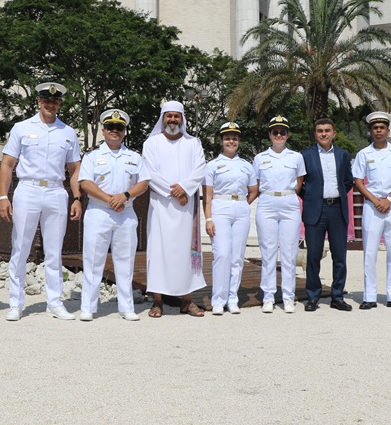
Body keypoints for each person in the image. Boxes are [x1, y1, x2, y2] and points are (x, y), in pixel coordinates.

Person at [0, 82, 82, 321]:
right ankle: (16, 303)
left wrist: (77, 198)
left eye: (55, 101)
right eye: (46, 99)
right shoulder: (21, 128)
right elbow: (7, 164)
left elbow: (75, 168)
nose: (50, 104)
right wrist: (4, 196)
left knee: (54, 251)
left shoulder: (68, 132)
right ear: (38, 101)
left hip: (56, 191)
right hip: (28, 190)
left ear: (60, 104)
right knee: (21, 248)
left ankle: (54, 302)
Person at [77, 109, 150, 322]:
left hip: (125, 213)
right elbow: (85, 182)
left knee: (125, 261)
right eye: (110, 127)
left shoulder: (134, 156)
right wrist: (110, 199)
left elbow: (144, 182)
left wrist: (125, 196)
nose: (114, 131)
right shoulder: (92, 155)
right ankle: (88, 307)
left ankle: (126, 307)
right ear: (103, 130)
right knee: (93, 260)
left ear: (124, 131)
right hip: (99, 211)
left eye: (119, 127)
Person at [141, 101, 207, 318]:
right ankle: (158, 302)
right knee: (159, 253)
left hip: (186, 208)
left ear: (182, 119)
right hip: (161, 205)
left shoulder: (193, 143)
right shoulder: (151, 143)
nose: (172, 120)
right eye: (168, 116)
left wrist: (185, 189)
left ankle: (187, 301)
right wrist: (174, 192)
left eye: (176, 116)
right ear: (162, 118)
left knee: (186, 254)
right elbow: (149, 172)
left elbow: (199, 169)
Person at [352, 111, 391, 311]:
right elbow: (358, 181)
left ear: (387, 130)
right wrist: (376, 200)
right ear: (371, 131)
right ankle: (369, 296)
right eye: (375, 128)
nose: (378, 131)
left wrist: (389, 199)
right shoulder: (363, 154)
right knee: (370, 251)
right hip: (372, 205)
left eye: (382, 128)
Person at [251, 116, 305, 313]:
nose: (279, 135)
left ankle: (288, 296)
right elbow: (255, 184)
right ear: (270, 135)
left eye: (283, 131)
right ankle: (268, 296)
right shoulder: (259, 158)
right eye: (275, 132)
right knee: (268, 252)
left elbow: (299, 181)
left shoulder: (296, 157)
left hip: (289, 202)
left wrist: (288, 196)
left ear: (288, 134)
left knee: (290, 252)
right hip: (267, 202)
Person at [203, 122, 258, 315]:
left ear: (238, 141)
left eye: (234, 138)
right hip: (220, 207)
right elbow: (207, 195)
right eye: (227, 138)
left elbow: (254, 190)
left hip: (241, 208)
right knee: (222, 254)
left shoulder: (246, 165)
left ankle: (232, 298)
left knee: (237, 257)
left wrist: (242, 204)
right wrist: (208, 219)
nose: (231, 141)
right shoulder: (212, 165)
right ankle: (218, 299)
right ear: (221, 141)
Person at [301, 118, 355, 312]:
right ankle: (313, 296)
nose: (323, 133)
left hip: (337, 210)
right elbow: (300, 183)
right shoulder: (306, 155)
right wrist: (311, 198)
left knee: (339, 257)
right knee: (313, 256)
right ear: (315, 134)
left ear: (334, 133)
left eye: (327, 130)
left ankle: (337, 296)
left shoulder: (342, 155)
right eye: (319, 130)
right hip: (316, 210)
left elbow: (348, 181)